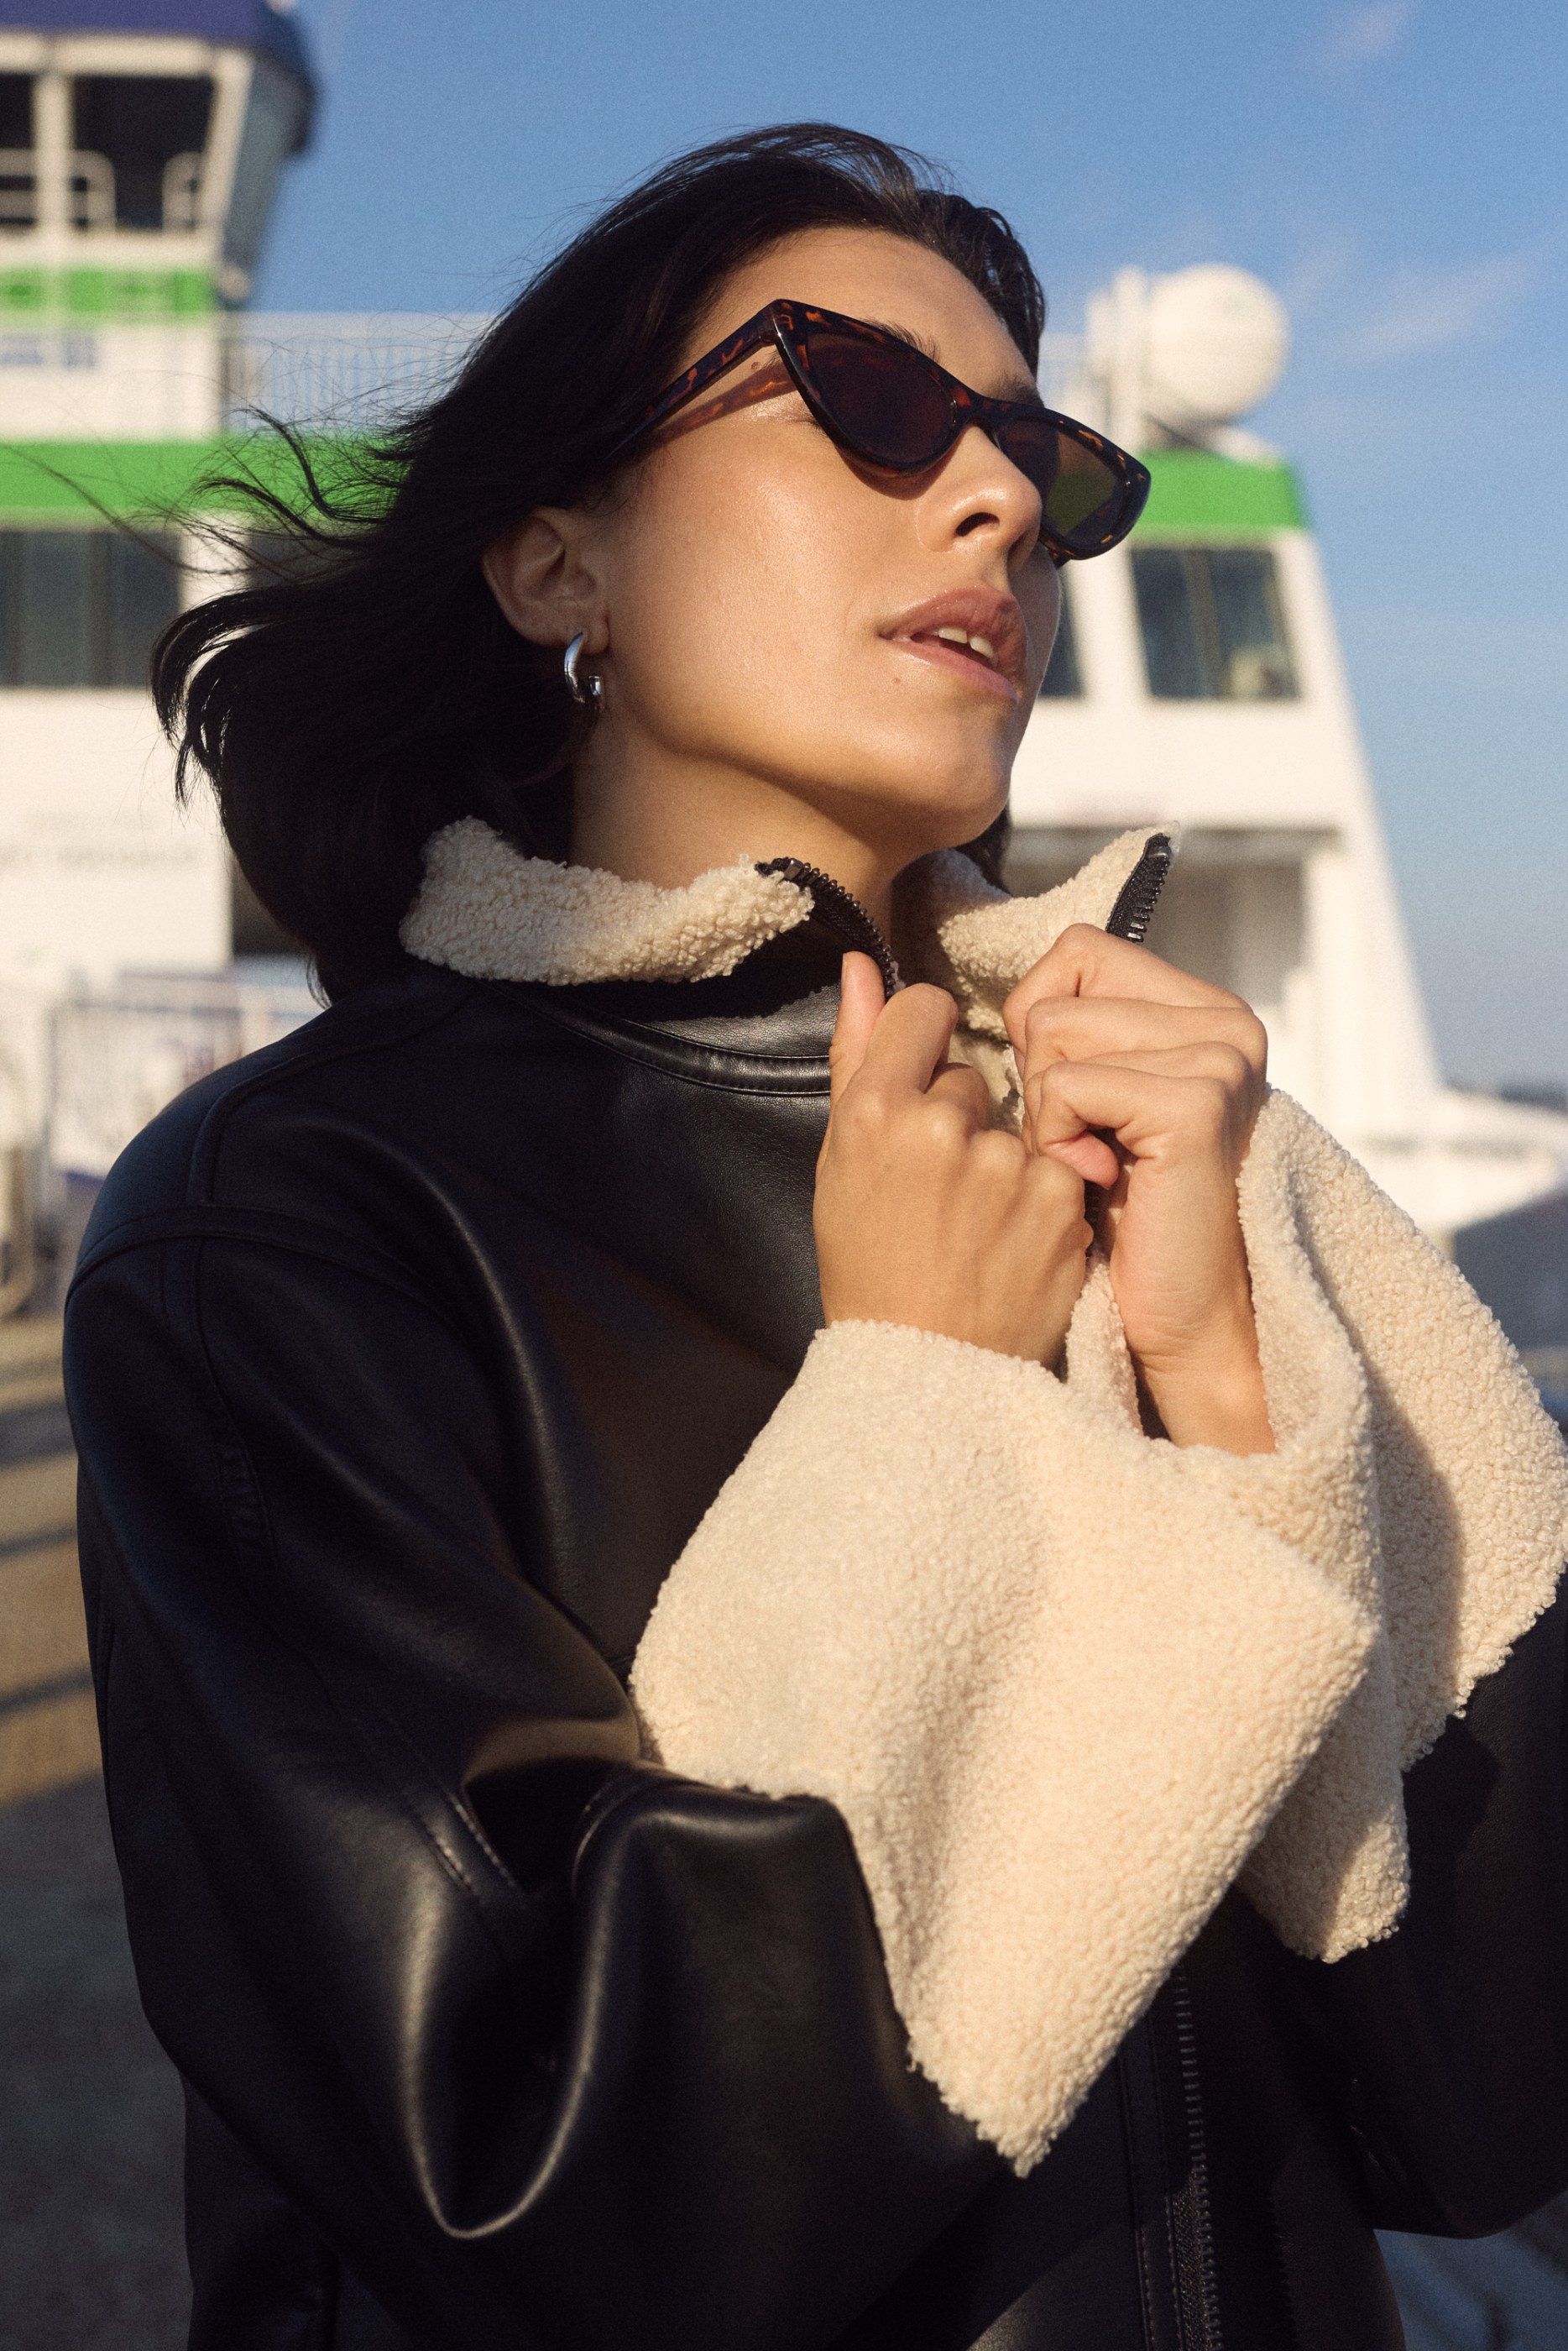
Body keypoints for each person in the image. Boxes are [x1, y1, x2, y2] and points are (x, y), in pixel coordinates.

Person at [65, 124, 1568, 2351]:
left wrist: (1251, 1405)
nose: (988, 502)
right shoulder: (292, 1223)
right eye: (860, 405)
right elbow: (549, 2192)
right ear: (554, 559)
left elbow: (1488, 2111)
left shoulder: (1215, 1171)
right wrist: (933, 1409)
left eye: (1039, 460)